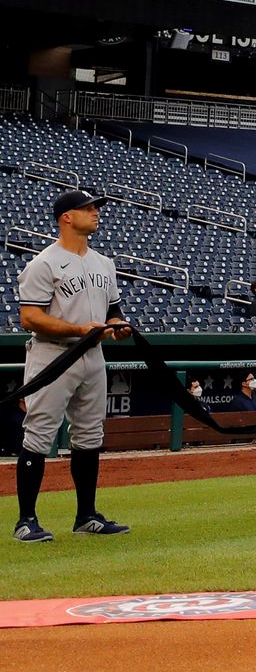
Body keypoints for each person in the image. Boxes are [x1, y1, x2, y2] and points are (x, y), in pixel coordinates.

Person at [13, 189, 133, 544]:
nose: (95, 212)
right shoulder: (44, 263)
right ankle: (25, 521)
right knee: (38, 434)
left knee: (89, 435)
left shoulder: (103, 263)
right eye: (88, 207)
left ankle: (86, 516)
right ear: (66, 217)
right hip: (53, 354)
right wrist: (81, 330)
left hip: (93, 356)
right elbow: (29, 317)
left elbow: (114, 309)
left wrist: (117, 325)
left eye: (95, 207)